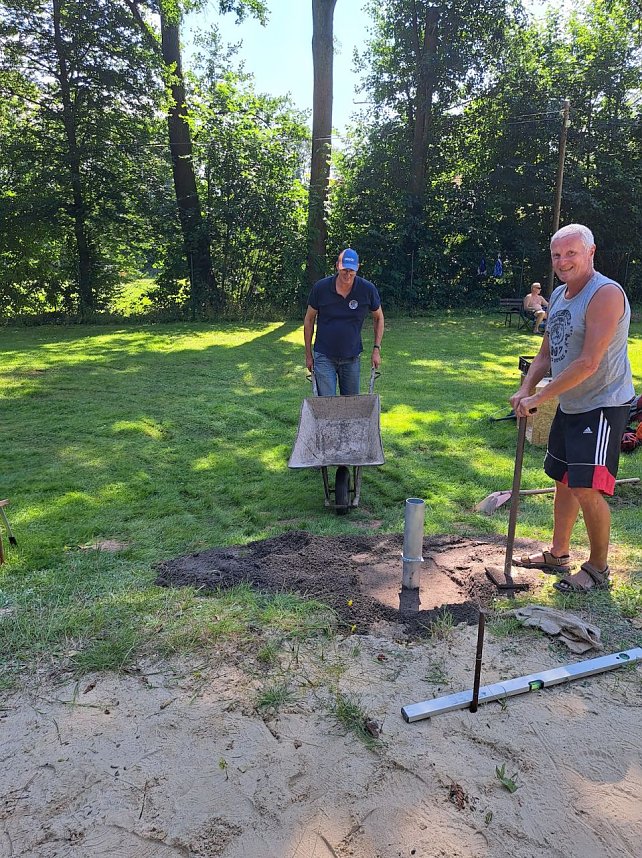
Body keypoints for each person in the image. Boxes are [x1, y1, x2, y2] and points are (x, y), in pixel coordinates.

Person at [510, 224, 635, 593]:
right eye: (556, 255)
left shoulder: (605, 294)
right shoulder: (560, 295)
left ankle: (597, 569)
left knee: (587, 486)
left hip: (602, 404)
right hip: (572, 402)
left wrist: (540, 398)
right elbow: (546, 354)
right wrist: (525, 388)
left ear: (590, 252)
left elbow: (588, 362)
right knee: (563, 478)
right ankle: (558, 554)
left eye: (571, 253)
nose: (562, 261)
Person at [304, 249, 384, 396]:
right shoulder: (321, 288)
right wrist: (308, 355)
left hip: (352, 357)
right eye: (344, 270)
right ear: (337, 266)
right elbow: (309, 320)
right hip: (324, 355)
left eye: (351, 271)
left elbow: (379, 318)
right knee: (327, 403)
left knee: (351, 402)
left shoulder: (367, 289)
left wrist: (376, 349)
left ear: (357, 267)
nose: (347, 274)